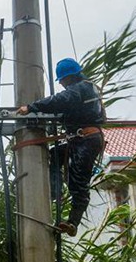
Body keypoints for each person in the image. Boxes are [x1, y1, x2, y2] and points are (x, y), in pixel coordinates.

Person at [16, 58, 106, 236]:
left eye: (63, 81)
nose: (63, 84)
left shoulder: (80, 89)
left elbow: (60, 100)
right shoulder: (87, 89)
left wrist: (32, 107)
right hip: (82, 139)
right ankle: (54, 192)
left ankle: (73, 222)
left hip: (86, 140)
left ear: (69, 77)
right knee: (55, 154)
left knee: (78, 181)